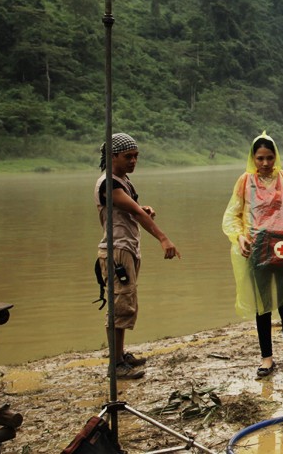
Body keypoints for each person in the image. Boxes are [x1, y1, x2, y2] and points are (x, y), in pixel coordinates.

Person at [222, 133, 283, 381]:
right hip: (258, 249)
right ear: (253, 158)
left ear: (277, 157)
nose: (265, 163)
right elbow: (233, 214)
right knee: (262, 306)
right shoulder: (245, 182)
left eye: (270, 158)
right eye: (260, 158)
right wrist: (239, 237)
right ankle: (267, 358)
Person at [95, 133, 181, 380]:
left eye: (136, 156)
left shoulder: (123, 181)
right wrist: (163, 238)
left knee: (126, 303)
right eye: (128, 156)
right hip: (117, 250)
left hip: (128, 248)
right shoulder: (108, 184)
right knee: (120, 305)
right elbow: (135, 212)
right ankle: (115, 365)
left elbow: (131, 209)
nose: (133, 161)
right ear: (113, 157)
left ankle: (121, 356)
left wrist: (143, 208)